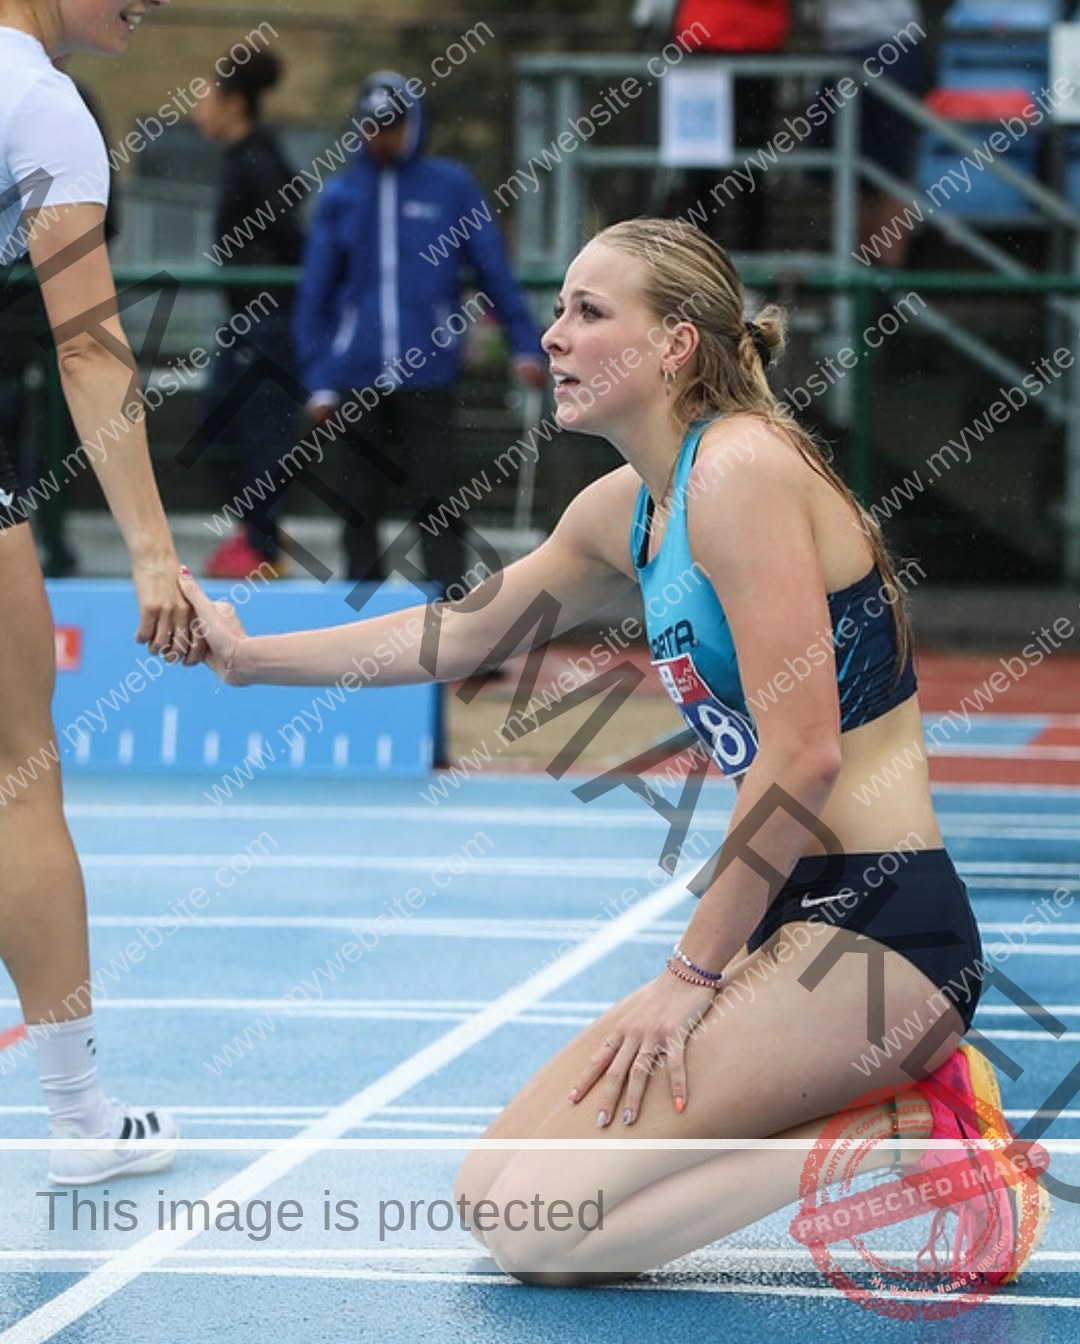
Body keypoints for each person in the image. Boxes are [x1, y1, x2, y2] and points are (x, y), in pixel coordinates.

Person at [179, 217, 1048, 1285]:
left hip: (880, 934)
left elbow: (806, 757)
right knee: (490, 1197)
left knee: (545, 1231)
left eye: (591, 313)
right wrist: (249, 657)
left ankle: (926, 1122)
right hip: (789, 924)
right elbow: (464, 632)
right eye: (559, 309)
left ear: (676, 345)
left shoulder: (742, 473)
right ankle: (890, 1109)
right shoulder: (628, 511)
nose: (554, 336)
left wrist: (690, 975)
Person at [0, 0, 197, 1184]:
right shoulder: (40, 103)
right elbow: (89, 345)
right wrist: (152, 552)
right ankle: (80, 1122)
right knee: (17, 779)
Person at [294, 70, 545, 597]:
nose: (380, 137)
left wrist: (526, 343)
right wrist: (318, 378)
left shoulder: (450, 187)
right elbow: (314, 296)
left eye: (390, 125)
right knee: (357, 506)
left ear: (413, 124)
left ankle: (454, 625)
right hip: (355, 376)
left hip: (427, 374)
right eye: (371, 126)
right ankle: (362, 630)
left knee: (437, 501)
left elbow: (492, 268)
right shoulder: (341, 195)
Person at [193, 46, 303, 578]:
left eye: (206, 98)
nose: (198, 111)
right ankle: (257, 536)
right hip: (247, 324)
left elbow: (292, 240)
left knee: (261, 433)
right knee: (218, 426)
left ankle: (262, 548)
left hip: (269, 325)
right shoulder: (243, 158)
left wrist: (275, 307)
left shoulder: (260, 161)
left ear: (234, 103)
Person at [661, 0, 790, 250]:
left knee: (750, 166)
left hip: (755, 46)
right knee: (697, 166)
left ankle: (750, 263)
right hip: (701, 47)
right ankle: (697, 261)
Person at [821, 0, 931, 266]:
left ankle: (886, 286)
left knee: (892, 172)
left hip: (892, 40)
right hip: (838, 46)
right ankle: (858, 275)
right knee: (845, 173)